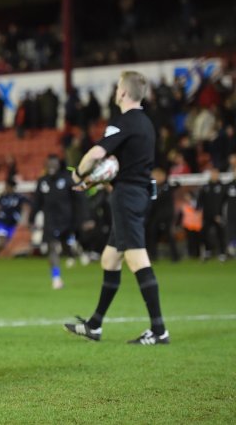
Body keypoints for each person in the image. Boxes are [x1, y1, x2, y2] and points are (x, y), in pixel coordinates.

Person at [65, 71, 170, 345]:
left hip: (127, 198)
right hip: (138, 194)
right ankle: (95, 326)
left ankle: (159, 331)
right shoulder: (147, 123)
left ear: (123, 93)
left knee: (138, 260)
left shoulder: (123, 122)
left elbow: (96, 154)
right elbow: (129, 164)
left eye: (117, 88)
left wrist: (78, 175)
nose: (115, 92)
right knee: (110, 259)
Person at [29, 155, 85, 290]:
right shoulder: (42, 182)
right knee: (52, 248)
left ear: (58, 165)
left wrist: (83, 218)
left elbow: (79, 199)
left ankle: (76, 253)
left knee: (66, 247)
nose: (51, 167)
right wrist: (31, 219)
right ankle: (56, 278)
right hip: (50, 221)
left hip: (67, 221)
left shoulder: (67, 179)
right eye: (49, 164)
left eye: (54, 164)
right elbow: (36, 202)